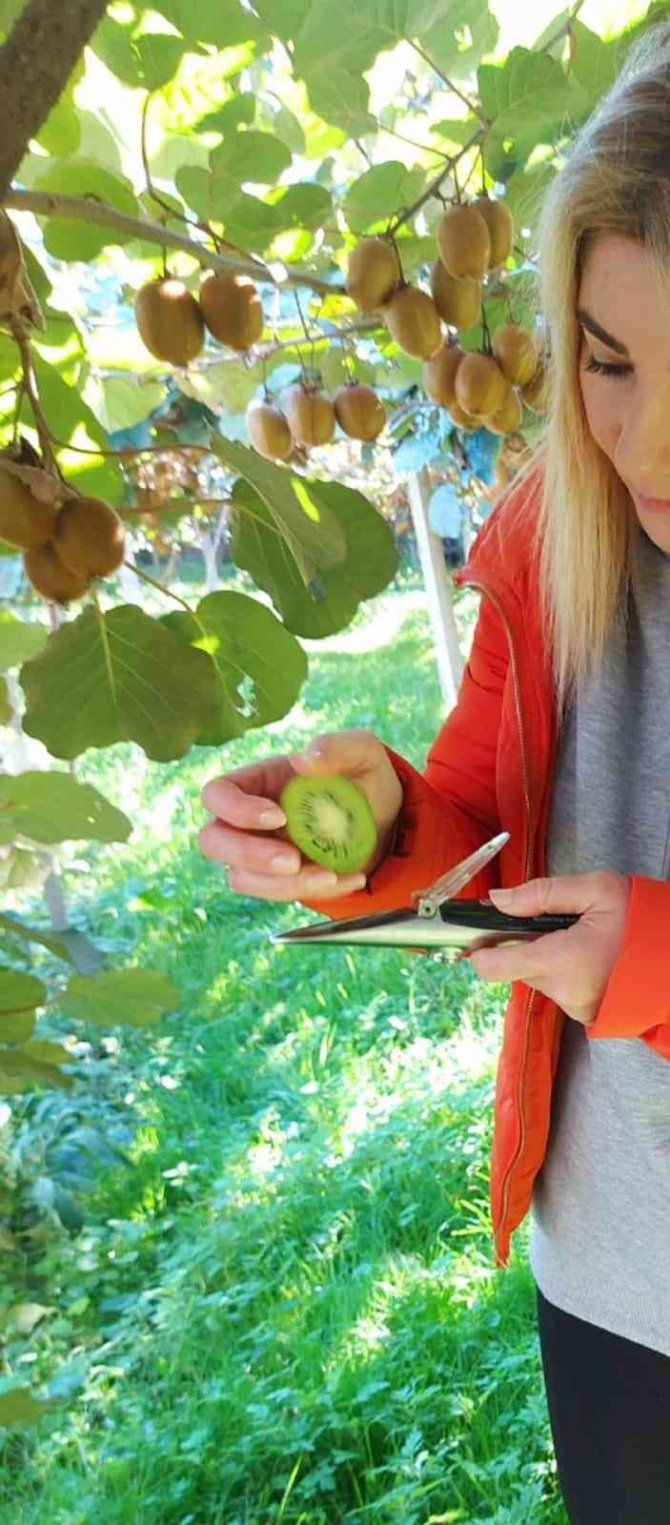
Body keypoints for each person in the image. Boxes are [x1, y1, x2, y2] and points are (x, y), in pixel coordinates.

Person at [198, 23, 670, 1523]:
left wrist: (650, 961)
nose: (643, 436)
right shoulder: (556, 519)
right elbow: (478, 806)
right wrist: (378, 834)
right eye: (606, 361)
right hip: (610, 1268)